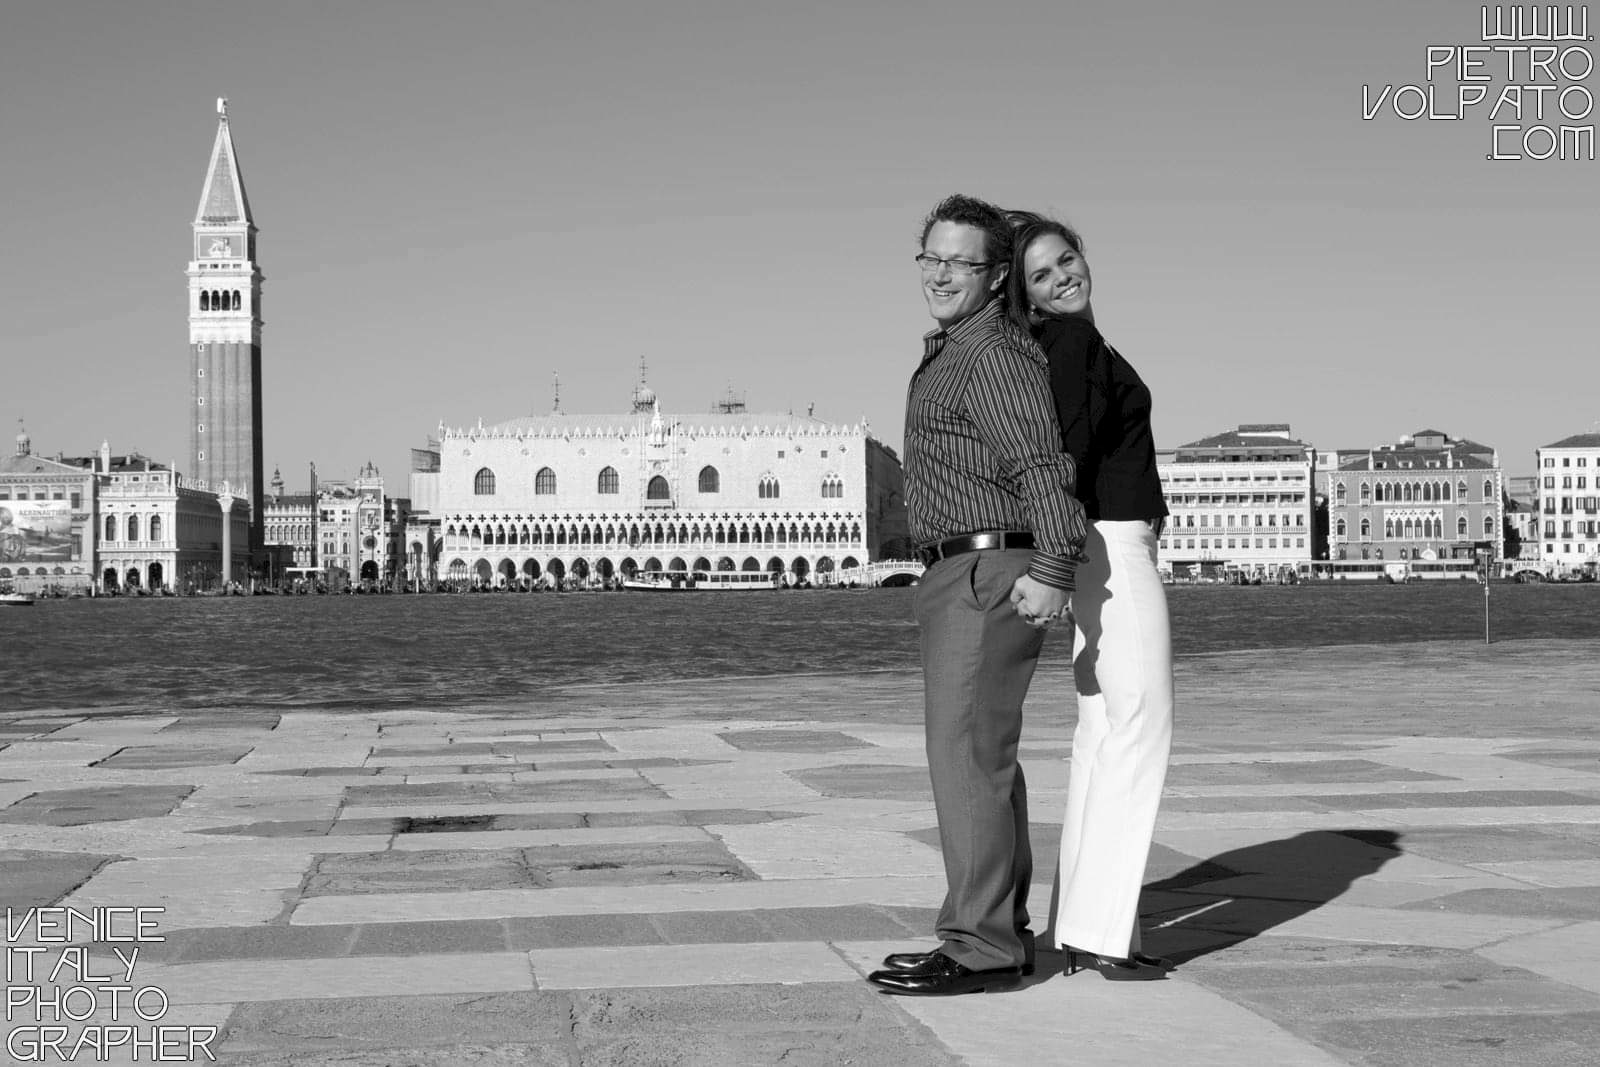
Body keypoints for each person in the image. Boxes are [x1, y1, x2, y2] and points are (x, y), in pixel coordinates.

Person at [867, 194, 1087, 997]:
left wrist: (1055, 568)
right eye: (930, 258)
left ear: (997, 276)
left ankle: (980, 944)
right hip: (962, 572)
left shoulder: (989, 352)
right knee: (983, 761)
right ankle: (999, 930)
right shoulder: (957, 346)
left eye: (958, 262)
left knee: (965, 760)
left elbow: (1040, 464)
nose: (939, 274)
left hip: (985, 573)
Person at [1005, 210, 1174, 980]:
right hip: (1110, 543)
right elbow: (1066, 452)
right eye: (1041, 274)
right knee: (1138, 729)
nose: (1062, 275)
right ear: (1029, 297)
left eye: (1066, 258)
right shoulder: (1070, 344)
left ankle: (1085, 922)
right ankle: (1104, 931)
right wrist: (1060, 562)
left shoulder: (1068, 344)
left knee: (1102, 734)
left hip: (1093, 545)